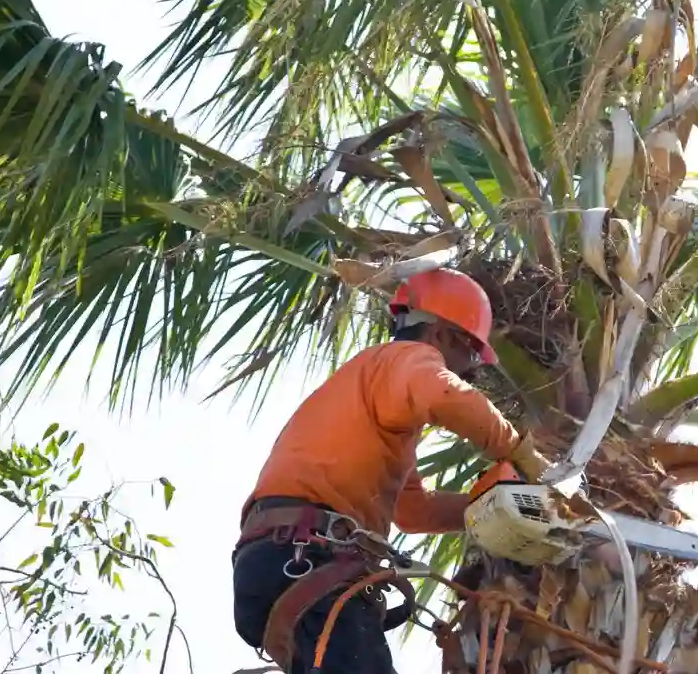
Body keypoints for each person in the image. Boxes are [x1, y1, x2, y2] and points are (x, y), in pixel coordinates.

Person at [231, 268, 553, 673]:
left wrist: (493, 504)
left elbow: (412, 513)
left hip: (275, 564)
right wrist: (519, 451)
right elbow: (447, 394)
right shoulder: (404, 360)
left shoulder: (377, 406)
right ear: (440, 335)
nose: (473, 372)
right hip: (308, 557)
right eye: (471, 354)